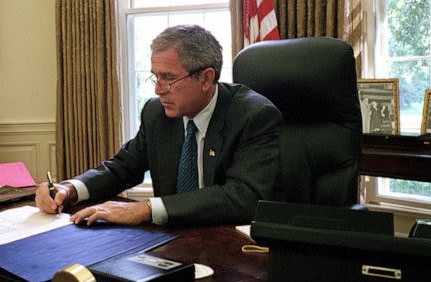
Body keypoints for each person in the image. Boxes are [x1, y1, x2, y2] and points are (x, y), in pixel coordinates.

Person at [36, 25, 283, 227]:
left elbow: (242, 197)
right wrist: (70, 189)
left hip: (230, 244)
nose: (157, 89)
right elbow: (122, 168)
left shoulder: (254, 116)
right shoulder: (157, 113)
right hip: (171, 240)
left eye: (169, 78)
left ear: (206, 78)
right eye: (156, 77)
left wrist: (145, 209)